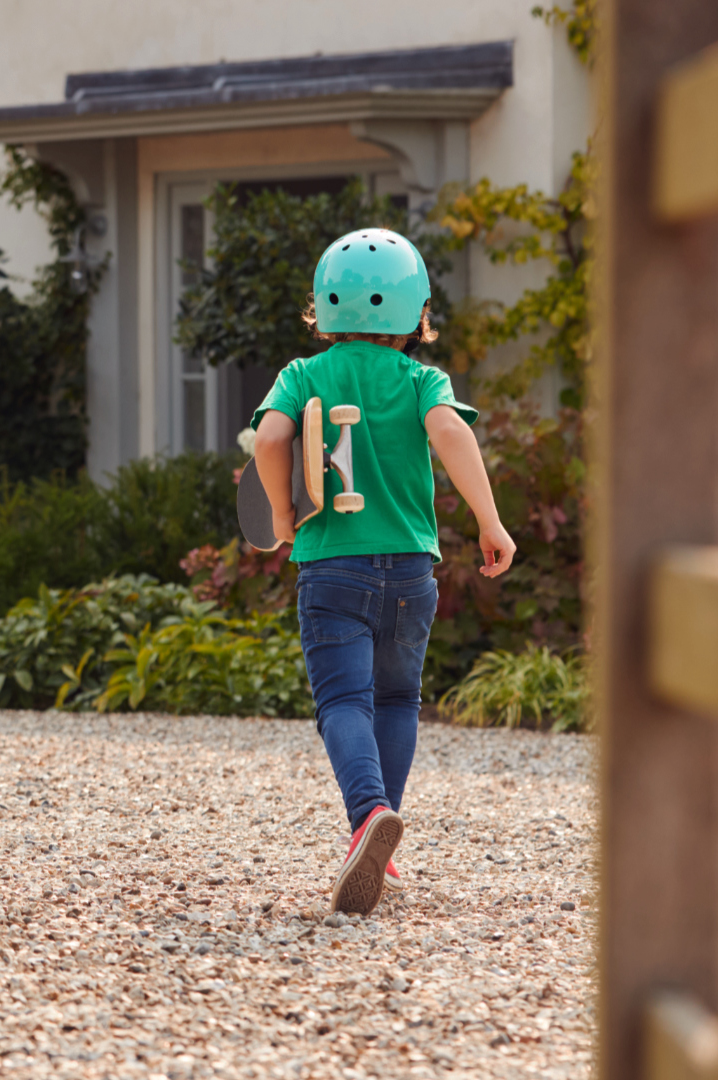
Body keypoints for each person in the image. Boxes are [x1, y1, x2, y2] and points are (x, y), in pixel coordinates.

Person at [250, 227, 516, 916]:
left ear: (322, 309)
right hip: (409, 572)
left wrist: (281, 514)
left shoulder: (302, 376)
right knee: (398, 701)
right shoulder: (423, 379)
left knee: (344, 703)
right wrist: (490, 521)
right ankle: (377, 840)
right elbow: (452, 433)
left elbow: (273, 437)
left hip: (332, 569)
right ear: (418, 314)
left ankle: (369, 817)